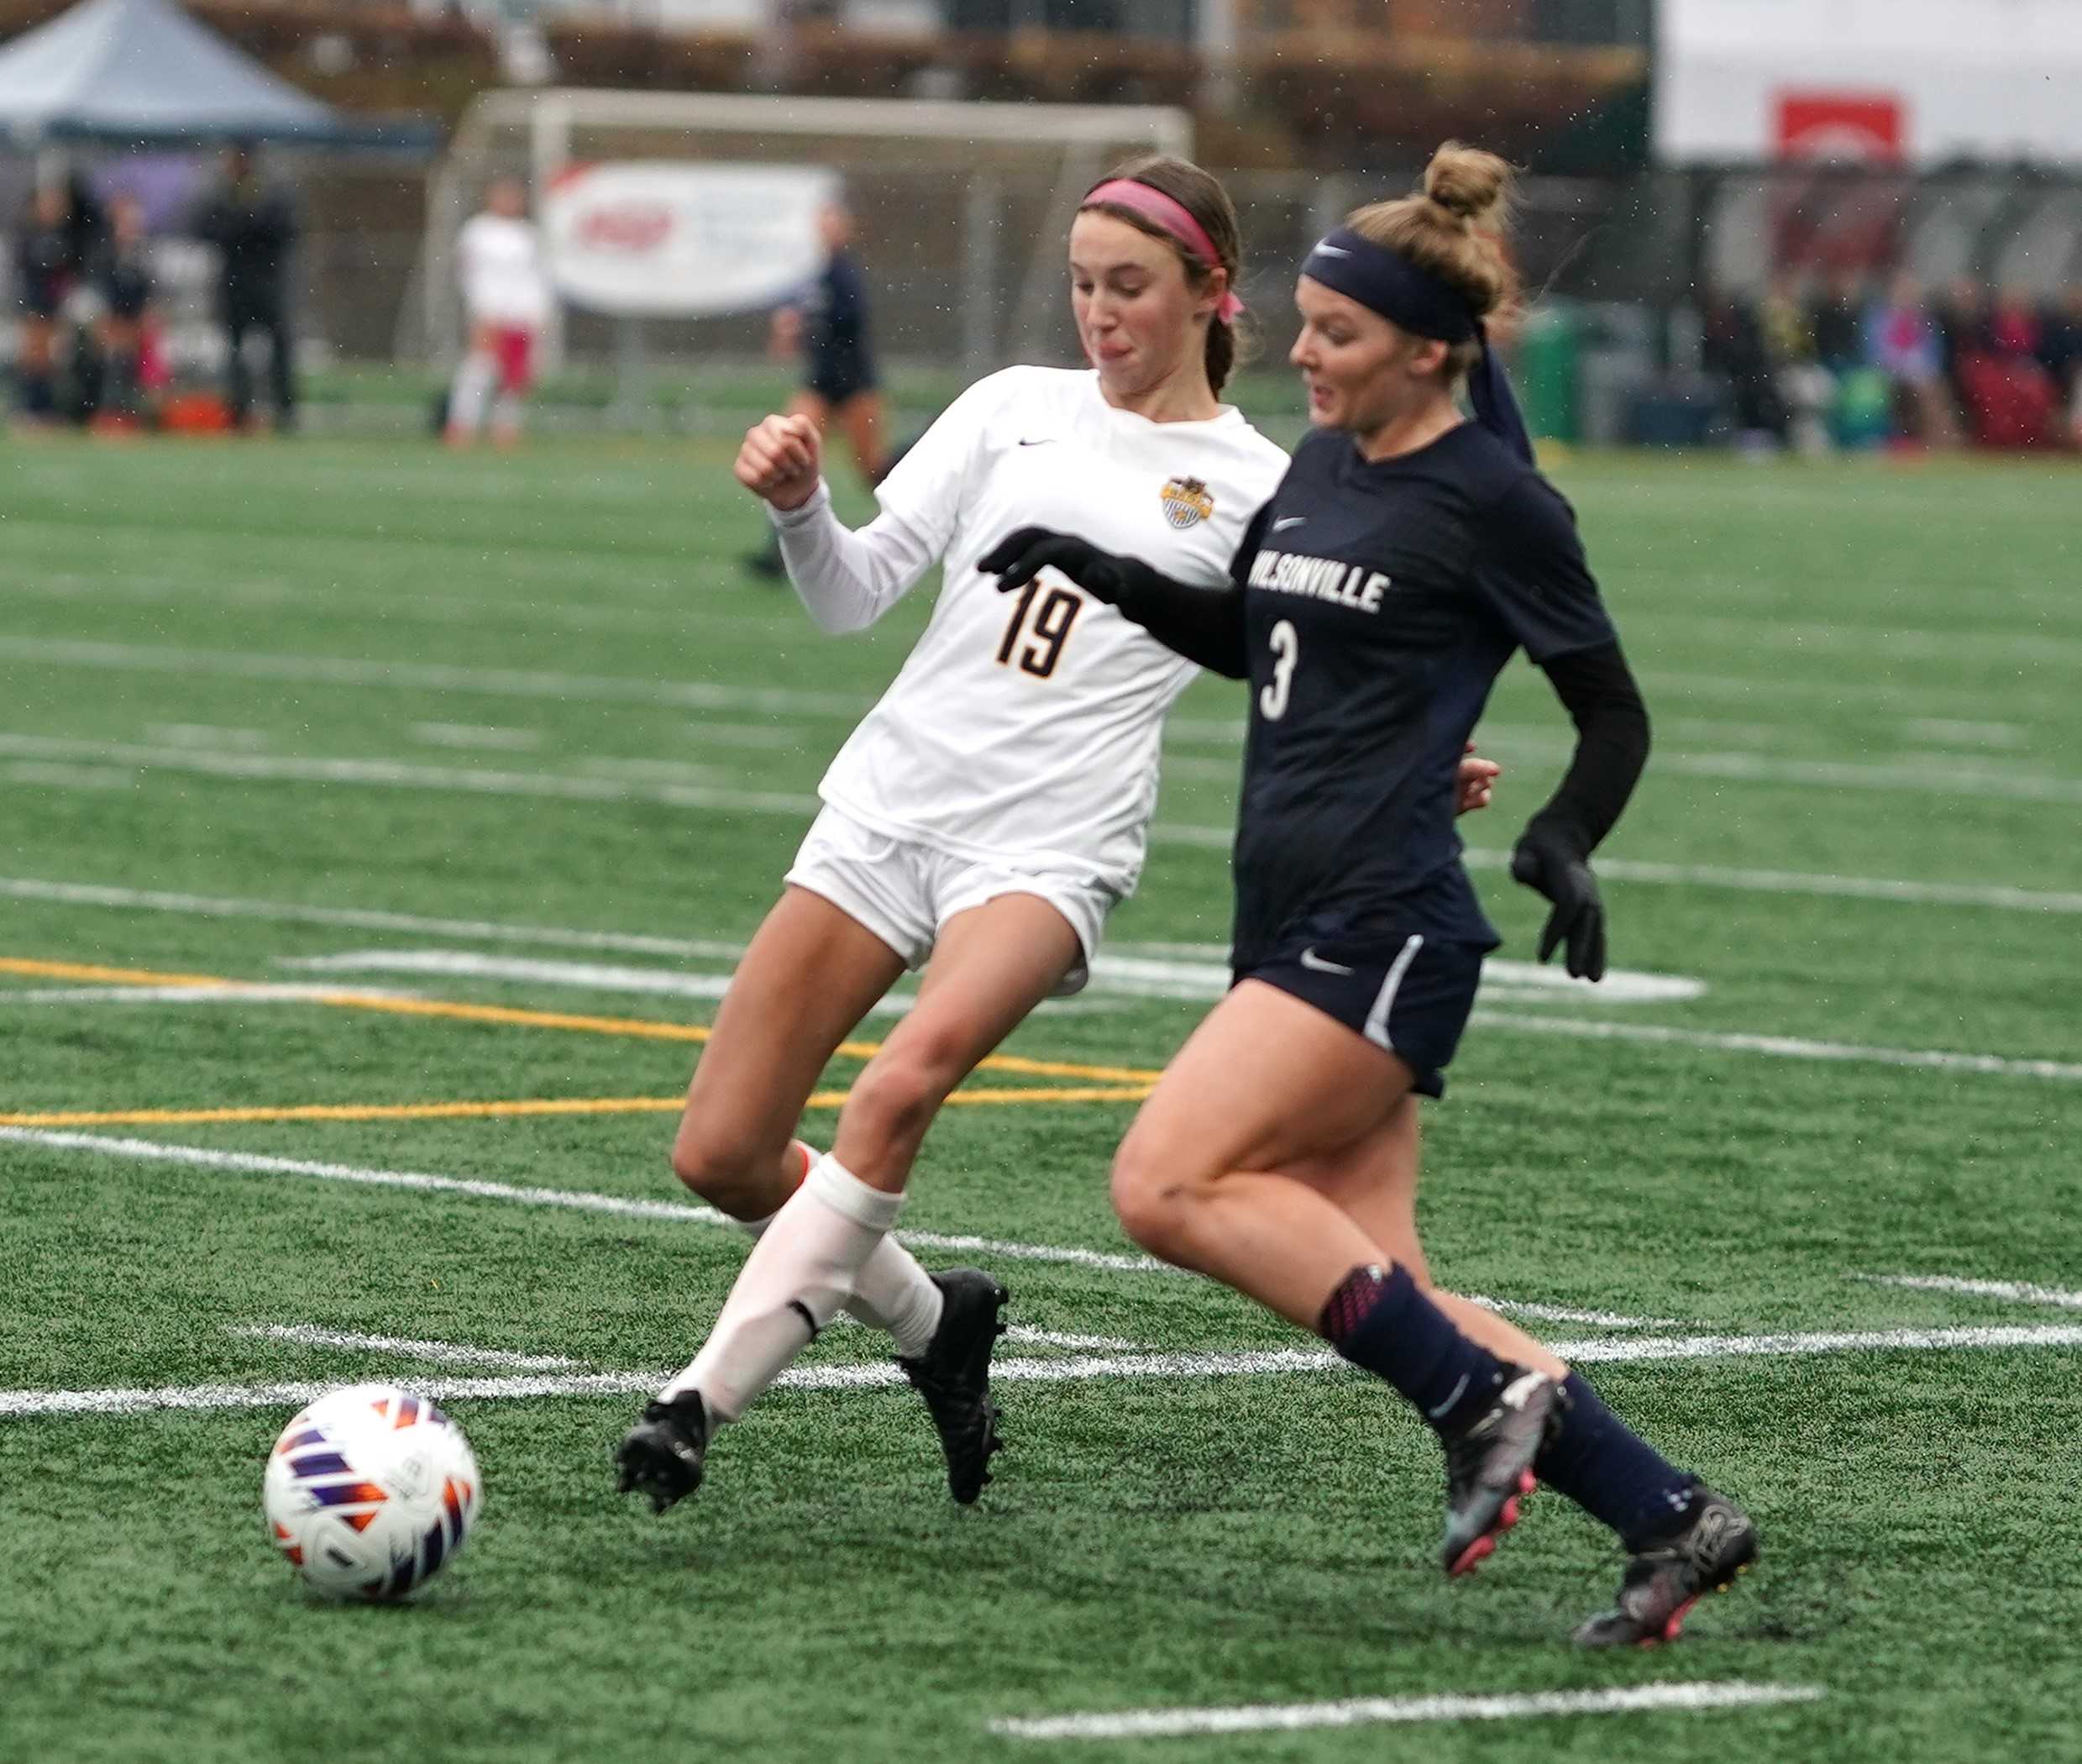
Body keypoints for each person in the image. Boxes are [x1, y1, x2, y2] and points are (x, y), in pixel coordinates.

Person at [612, 154, 1498, 1520]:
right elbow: (851, 601)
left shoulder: (1263, 484)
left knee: (897, 1090)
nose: (1099, 313)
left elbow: (1317, 665)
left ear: (1211, 294)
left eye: (1129, 287)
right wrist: (800, 508)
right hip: (889, 804)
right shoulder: (1009, 411)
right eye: (1083, 285)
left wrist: (1420, 756)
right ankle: (933, 1326)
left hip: (1048, 847)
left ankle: (695, 1402)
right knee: (720, 1153)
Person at [977, 142, 1759, 1649]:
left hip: (1389, 922)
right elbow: (1251, 636)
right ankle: (1670, 1517)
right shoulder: (1323, 464)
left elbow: (1609, 709)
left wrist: (1562, 837)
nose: (1302, 351)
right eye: (1302, 321)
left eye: (1334, 334)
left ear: (1426, 349)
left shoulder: (1491, 500)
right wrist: (1100, 567)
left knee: (1161, 1183)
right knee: (1384, 1283)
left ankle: (1481, 1413)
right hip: (1283, 914)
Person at [745, 200, 890, 577]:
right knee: (786, 454)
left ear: (846, 229)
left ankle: (931, 497)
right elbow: (803, 313)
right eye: (823, 222)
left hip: (854, 383)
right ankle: (775, 555)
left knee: (874, 470)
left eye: (834, 222)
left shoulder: (846, 275)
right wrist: (790, 327)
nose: (827, 229)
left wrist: (802, 324)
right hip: (822, 383)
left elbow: (845, 321)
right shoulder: (819, 273)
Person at [193, 143, 300, 433]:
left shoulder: (271, 192)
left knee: (278, 348)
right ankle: (238, 411)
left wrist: (246, 224)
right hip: (235, 284)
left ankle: (284, 410)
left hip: (266, 283)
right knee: (235, 350)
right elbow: (207, 227)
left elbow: (283, 230)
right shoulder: (221, 193)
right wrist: (244, 224)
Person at [446, 176, 552, 446]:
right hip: (489, 309)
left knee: (515, 374)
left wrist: (536, 314)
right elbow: (469, 274)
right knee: (480, 366)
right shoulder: (478, 231)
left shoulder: (528, 234)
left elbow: (536, 278)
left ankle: (505, 425)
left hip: (522, 312)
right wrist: (483, 308)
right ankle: (462, 424)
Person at [92, 194, 156, 428]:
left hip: (132, 320)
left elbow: (146, 290)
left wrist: (142, 318)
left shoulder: (141, 255)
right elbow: (99, 290)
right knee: (113, 365)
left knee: (131, 366)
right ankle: (108, 412)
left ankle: (128, 413)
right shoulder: (104, 254)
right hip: (113, 319)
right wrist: (107, 321)